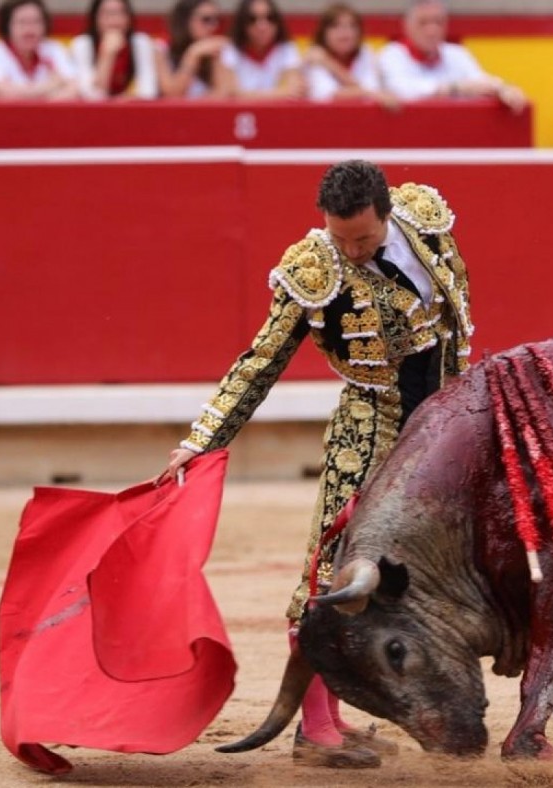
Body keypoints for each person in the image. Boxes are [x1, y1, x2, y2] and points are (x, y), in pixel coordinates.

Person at [157, 159, 475, 768]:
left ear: (389, 215)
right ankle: (316, 728)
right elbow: (260, 361)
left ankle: (347, 708)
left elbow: (452, 316)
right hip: (371, 427)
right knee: (333, 573)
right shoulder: (314, 270)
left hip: (444, 425)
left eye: (363, 239)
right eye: (339, 238)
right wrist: (203, 439)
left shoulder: (426, 221)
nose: (351, 251)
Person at [376, 0, 525, 111]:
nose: (432, 30)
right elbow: (402, 90)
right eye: (423, 23)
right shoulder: (391, 54)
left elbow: (480, 80)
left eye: (438, 22)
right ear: (406, 26)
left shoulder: (457, 53)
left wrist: (503, 89)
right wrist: (456, 89)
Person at [69, 0, 163, 99]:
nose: (115, 20)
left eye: (121, 13)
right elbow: (90, 95)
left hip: (128, 107)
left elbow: (148, 91)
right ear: (95, 19)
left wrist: (125, 99)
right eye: (107, 14)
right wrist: (107, 55)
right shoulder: (82, 44)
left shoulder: (140, 42)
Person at [305, 3, 395, 106]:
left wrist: (329, 64)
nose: (345, 32)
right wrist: (368, 93)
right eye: (335, 26)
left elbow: (371, 88)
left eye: (352, 26)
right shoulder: (315, 55)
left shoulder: (365, 53)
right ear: (323, 33)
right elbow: (327, 96)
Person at [0, 0, 78, 99]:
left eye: (36, 22)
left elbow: (74, 87)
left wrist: (43, 103)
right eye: (22, 22)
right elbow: (1, 90)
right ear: (7, 26)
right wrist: (50, 86)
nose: (29, 29)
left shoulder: (53, 49)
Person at [226, 0, 302, 98]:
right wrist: (280, 93)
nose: (262, 26)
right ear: (242, 23)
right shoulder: (231, 50)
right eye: (252, 19)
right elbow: (231, 94)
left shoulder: (287, 49)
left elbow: (294, 90)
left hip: (278, 112)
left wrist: (248, 95)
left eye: (270, 18)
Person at [160, 0, 233, 98]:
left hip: (205, 112)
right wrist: (193, 54)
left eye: (216, 20)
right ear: (185, 19)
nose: (213, 26)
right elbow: (172, 94)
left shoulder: (216, 49)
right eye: (206, 19)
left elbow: (223, 94)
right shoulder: (162, 48)